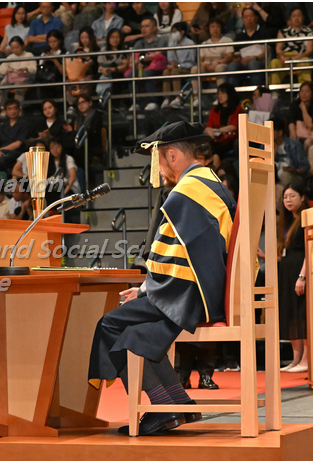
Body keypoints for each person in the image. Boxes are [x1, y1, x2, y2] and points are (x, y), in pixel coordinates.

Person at [88, 121, 235, 436]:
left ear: (171, 155)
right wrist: (147, 289)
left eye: (159, 161)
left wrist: (147, 290)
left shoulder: (185, 193)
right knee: (136, 333)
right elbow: (192, 252)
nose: (159, 170)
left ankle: (162, 408)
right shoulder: (210, 182)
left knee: (110, 325)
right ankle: (178, 403)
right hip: (206, 289)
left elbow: (176, 257)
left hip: (189, 295)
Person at [274, 183, 309, 373]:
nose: (288, 200)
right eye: (285, 197)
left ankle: (306, 359)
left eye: (292, 196)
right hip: (286, 273)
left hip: (300, 272)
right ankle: (296, 360)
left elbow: (309, 250)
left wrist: (302, 276)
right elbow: (284, 253)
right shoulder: (286, 221)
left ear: (302, 197)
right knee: (292, 314)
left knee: (302, 314)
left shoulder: (306, 218)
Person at [124, 16, 167, 112]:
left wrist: (141, 59)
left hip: (158, 68)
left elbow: (157, 54)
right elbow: (132, 61)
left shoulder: (161, 40)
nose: (143, 29)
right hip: (142, 68)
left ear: (154, 28)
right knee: (131, 74)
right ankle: (135, 103)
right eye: (142, 27)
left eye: (147, 26)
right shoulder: (139, 43)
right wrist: (138, 62)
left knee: (147, 73)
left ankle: (153, 101)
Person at [0, 99, 31, 176]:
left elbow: (18, 144)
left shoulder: (24, 124)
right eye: (9, 109)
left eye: (14, 108)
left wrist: (2, 150)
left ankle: (4, 179)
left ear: (19, 110)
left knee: (2, 160)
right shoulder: (3, 126)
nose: (12, 111)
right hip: (1, 152)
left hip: (16, 152)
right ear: (5, 111)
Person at [190, 18, 233, 99]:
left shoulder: (227, 40)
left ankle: (220, 96)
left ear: (221, 28)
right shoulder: (204, 43)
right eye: (212, 27)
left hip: (221, 64)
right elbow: (200, 60)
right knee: (194, 69)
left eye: (217, 27)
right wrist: (204, 65)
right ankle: (196, 98)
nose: (215, 29)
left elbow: (230, 56)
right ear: (209, 29)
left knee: (219, 68)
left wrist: (218, 63)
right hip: (207, 66)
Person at [269, 8, 313, 86]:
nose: (297, 18)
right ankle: (275, 90)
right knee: (274, 63)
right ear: (290, 18)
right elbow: (278, 49)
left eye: (299, 16)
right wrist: (283, 58)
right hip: (285, 57)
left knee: (305, 61)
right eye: (294, 16)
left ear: (303, 17)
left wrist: (296, 58)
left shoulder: (309, 32)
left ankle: (305, 88)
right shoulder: (283, 31)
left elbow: (309, 50)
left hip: (300, 57)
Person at [225, 7, 267, 88]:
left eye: (251, 16)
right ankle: (232, 93)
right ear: (243, 20)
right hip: (243, 62)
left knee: (252, 64)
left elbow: (266, 52)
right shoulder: (239, 36)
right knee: (232, 66)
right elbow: (236, 55)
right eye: (246, 17)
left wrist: (253, 58)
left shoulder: (263, 32)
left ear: (256, 18)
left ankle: (257, 92)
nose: (248, 19)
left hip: (259, 61)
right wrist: (238, 59)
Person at [204, 83, 242, 169]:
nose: (219, 96)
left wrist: (217, 130)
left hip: (230, 139)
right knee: (207, 146)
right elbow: (208, 127)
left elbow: (234, 126)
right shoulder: (214, 110)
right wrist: (212, 132)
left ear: (229, 94)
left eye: (222, 93)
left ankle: (214, 169)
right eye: (218, 94)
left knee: (216, 150)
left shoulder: (237, 109)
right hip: (216, 139)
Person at [161, 22, 196, 109]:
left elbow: (191, 63)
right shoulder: (171, 43)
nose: (173, 34)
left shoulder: (190, 43)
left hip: (186, 68)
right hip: (174, 68)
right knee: (166, 72)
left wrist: (178, 66)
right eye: (172, 32)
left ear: (182, 32)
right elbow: (170, 58)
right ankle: (166, 98)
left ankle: (178, 98)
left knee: (175, 71)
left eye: (175, 32)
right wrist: (172, 64)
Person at [0, 37, 37, 106]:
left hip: (25, 78)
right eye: (12, 48)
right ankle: (3, 107)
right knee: (2, 87)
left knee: (18, 87)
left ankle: (18, 107)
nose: (15, 50)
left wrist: (26, 68)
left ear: (22, 46)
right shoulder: (10, 57)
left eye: (17, 47)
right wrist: (7, 70)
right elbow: (1, 68)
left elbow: (34, 69)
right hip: (12, 78)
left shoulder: (29, 55)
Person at [288, 81, 313, 151]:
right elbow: (291, 121)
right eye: (302, 91)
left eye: (307, 91)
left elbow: (310, 125)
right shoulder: (294, 105)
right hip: (297, 134)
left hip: (311, 135)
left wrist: (303, 109)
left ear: (312, 94)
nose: (304, 94)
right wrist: (293, 134)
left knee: (308, 143)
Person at [96, 28, 129, 96]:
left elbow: (125, 66)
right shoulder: (103, 50)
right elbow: (99, 66)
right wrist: (103, 71)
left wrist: (112, 69)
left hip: (118, 72)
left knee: (116, 76)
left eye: (117, 37)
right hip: (105, 72)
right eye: (112, 37)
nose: (115, 40)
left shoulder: (124, 50)